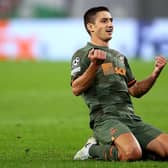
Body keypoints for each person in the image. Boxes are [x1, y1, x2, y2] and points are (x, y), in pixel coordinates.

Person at [70, 6, 168, 161]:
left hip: (131, 118)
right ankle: (91, 150)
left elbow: (135, 90)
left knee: (166, 150)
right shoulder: (83, 54)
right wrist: (95, 65)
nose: (110, 24)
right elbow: (76, 89)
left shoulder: (119, 57)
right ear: (91, 27)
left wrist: (154, 74)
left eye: (111, 20)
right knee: (131, 154)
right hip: (106, 119)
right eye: (104, 21)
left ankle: (140, 147)